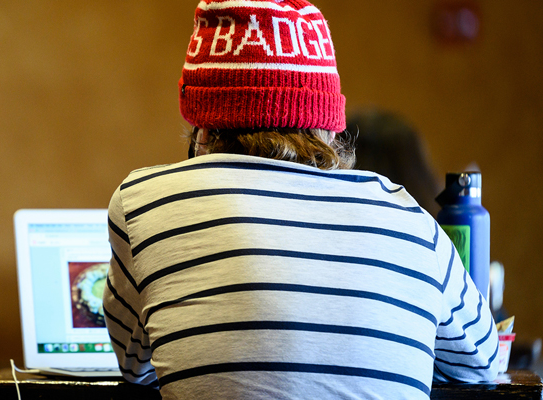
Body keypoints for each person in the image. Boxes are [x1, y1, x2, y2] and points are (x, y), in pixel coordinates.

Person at [102, 1, 498, 399]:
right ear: (329, 126)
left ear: (200, 124)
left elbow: (137, 367)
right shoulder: (409, 219)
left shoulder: (142, 202)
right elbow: (483, 364)